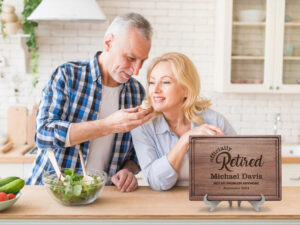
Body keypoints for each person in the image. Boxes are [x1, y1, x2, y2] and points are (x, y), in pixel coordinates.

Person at [26, 13, 154, 193]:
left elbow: (136, 152)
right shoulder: (68, 75)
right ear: (108, 43)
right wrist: (107, 125)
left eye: (143, 61)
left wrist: (128, 171)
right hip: (48, 194)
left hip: (100, 198)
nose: (137, 70)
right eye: (131, 58)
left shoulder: (136, 92)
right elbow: (43, 135)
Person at [131, 52, 236, 191]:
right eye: (152, 82)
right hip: (166, 205)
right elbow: (157, 182)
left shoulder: (214, 121)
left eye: (165, 82)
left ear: (186, 89)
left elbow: (240, 170)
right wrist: (185, 140)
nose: (155, 90)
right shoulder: (143, 126)